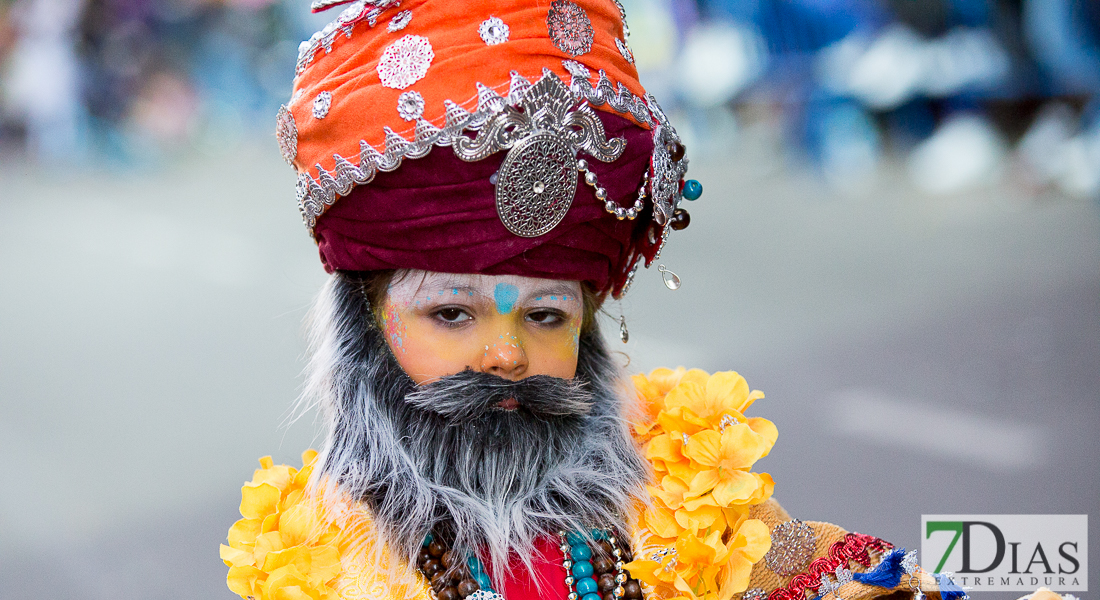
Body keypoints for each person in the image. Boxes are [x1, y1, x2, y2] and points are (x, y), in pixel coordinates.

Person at [222, 2, 979, 600]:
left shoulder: (689, 499)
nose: (507, 356)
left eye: (547, 315)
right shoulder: (316, 562)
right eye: (451, 313)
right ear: (366, 329)